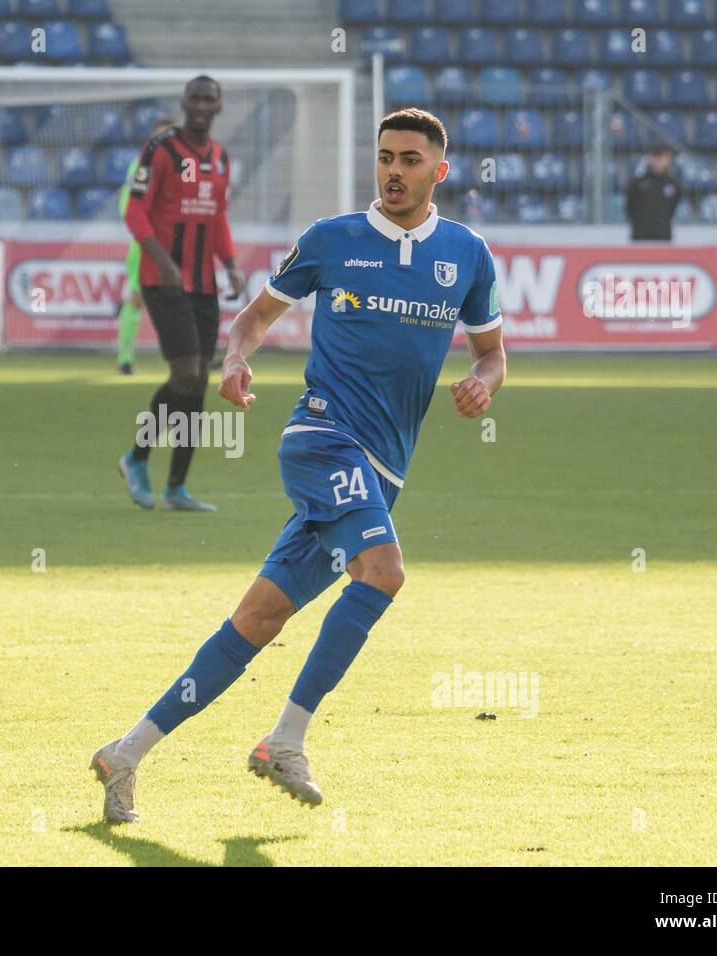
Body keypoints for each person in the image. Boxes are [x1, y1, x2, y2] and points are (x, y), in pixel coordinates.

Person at [90, 108, 507, 823]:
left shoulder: (467, 255)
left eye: (410, 160)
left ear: (439, 171)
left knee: (259, 618)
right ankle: (286, 741)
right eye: (384, 157)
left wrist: (483, 383)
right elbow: (253, 317)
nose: (394, 171)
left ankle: (124, 753)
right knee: (384, 571)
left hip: (384, 469)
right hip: (321, 438)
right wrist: (237, 361)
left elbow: (492, 351)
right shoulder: (333, 240)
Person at [117, 75, 245, 513]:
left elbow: (217, 219)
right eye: (195, 98)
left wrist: (229, 264)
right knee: (186, 373)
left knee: (200, 383)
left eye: (210, 99)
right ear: (185, 102)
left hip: (203, 283)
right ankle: (135, 457)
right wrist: (162, 260)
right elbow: (135, 211)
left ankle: (176, 488)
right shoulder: (161, 149)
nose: (202, 105)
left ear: (219, 106)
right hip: (163, 278)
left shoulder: (222, 159)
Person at [115, 115, 176, 375]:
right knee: (138, 299)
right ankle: (125, 358)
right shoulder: (140, 166)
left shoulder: (185, 168)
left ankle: (191, 358)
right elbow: (127, 206)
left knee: (186, 300)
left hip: (176, 245)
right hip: (146, 245)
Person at [625, 146, 681, 241]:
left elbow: (673, 207)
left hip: (663, 234)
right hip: (640, 235)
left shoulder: (674, 185)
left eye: (661, 157)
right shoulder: (637, 183)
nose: (658, 161)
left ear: (668, 160)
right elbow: (630, 206)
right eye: (655, 156)